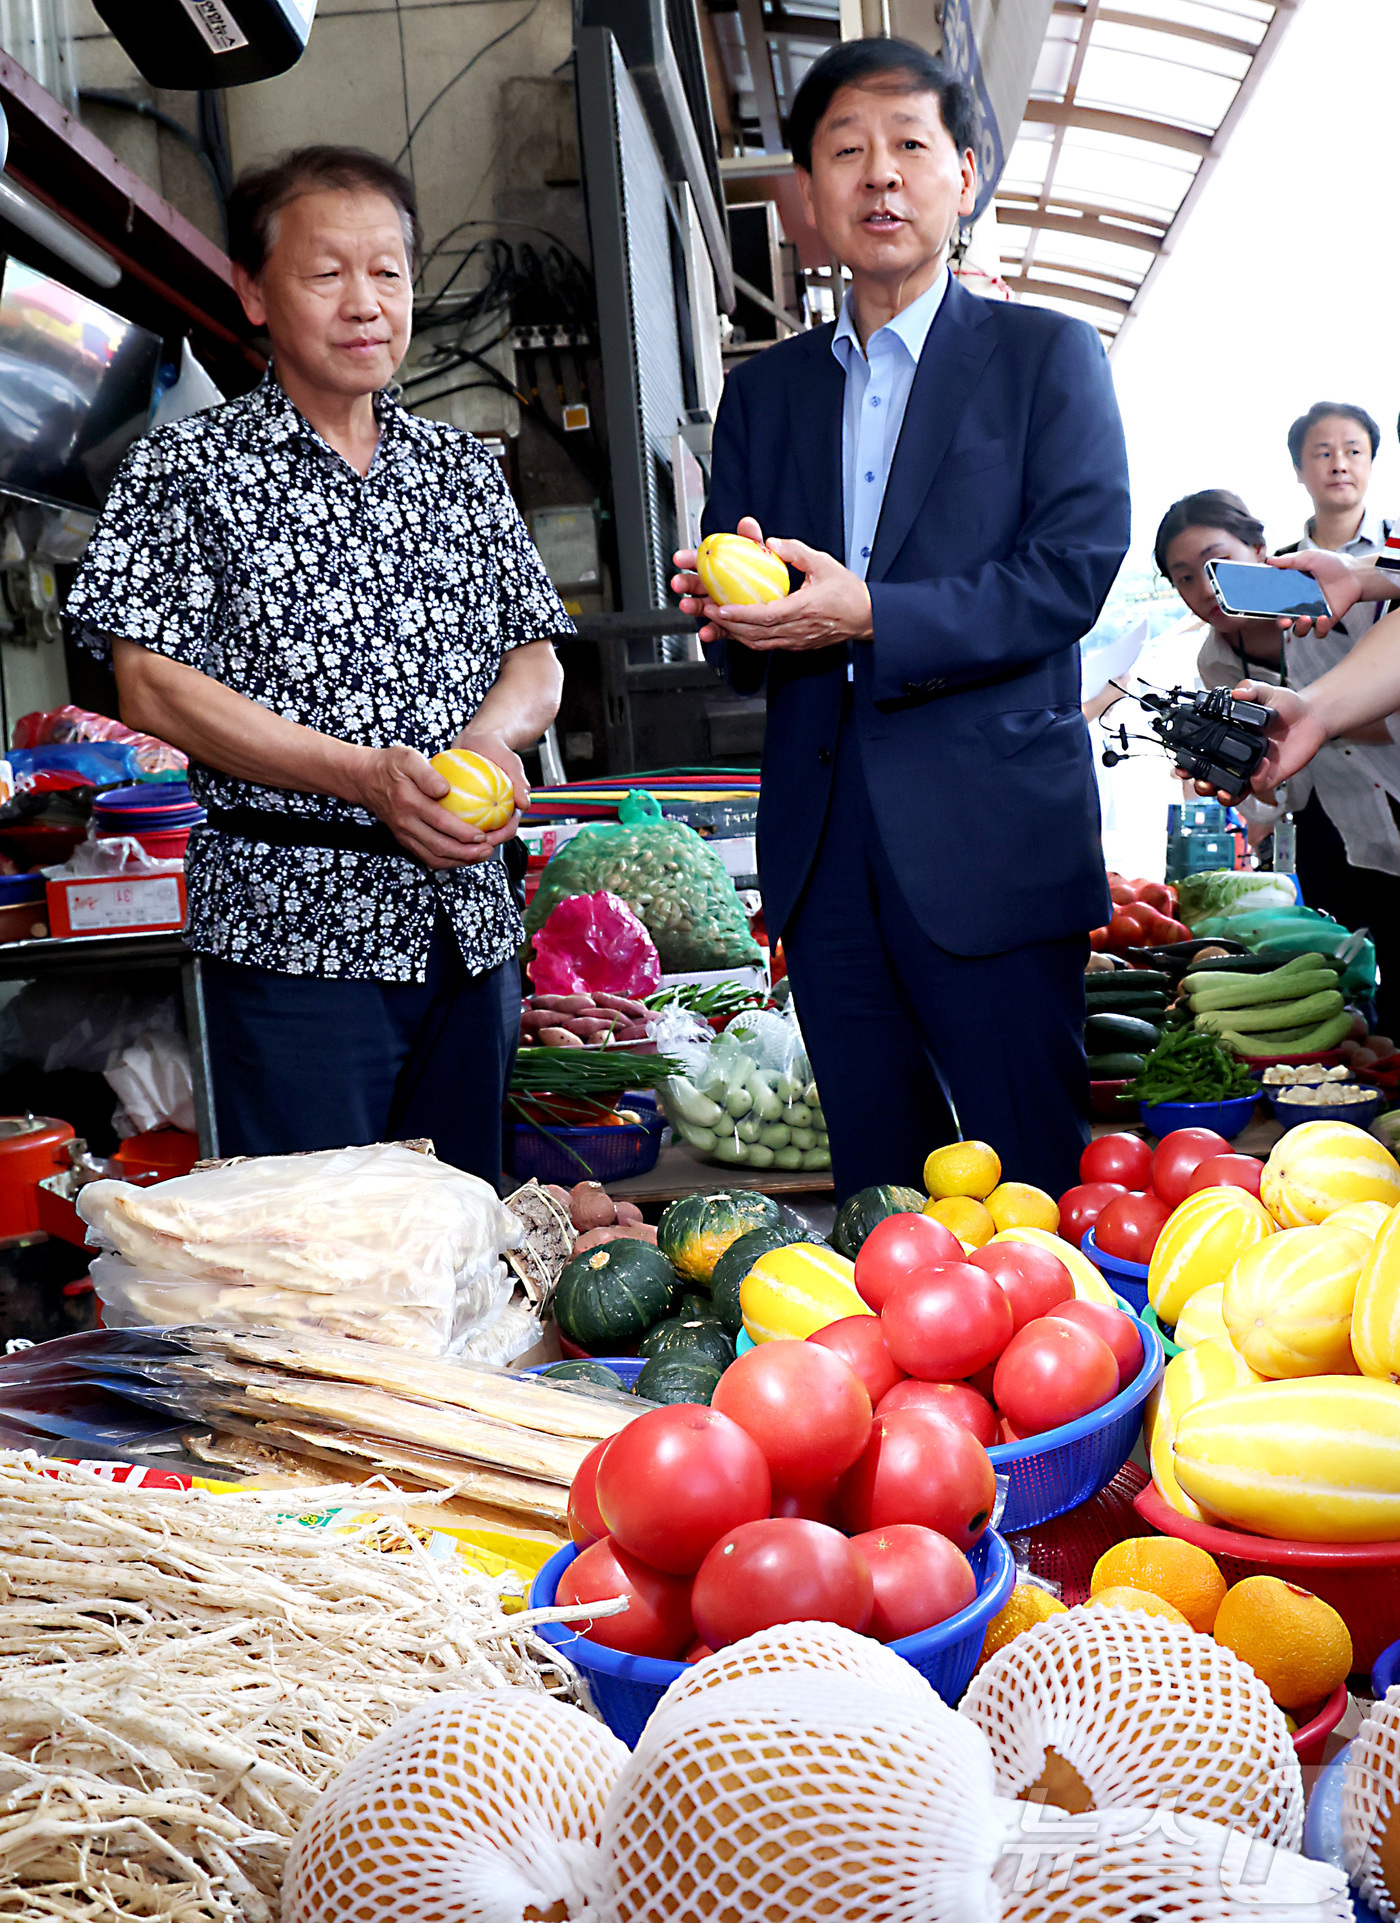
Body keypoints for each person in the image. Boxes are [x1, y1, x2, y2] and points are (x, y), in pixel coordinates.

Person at [672, 37, 1129, 1202]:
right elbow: (751, 620)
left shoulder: (1044, 359)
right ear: (806, 195)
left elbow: (1066, 574)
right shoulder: (765, 391)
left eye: (908, 147)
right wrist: (728, 624)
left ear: (961, 175)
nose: (879, 176)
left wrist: (869, 613)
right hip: (826, 858)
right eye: (843, 152)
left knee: (1034, 1184)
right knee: (880, 1193)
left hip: (990, 848)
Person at [63, 146, 568, 1184]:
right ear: (253, 292)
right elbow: (147, 681)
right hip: (292, 941)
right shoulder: (187, 468)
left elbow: (536, 659)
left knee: (459, 1241)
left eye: (387, 272)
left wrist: (487, 735)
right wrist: (360, 777)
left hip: (465, 937)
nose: (365, 303)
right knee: (312, 1258)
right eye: (325, 272)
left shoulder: (462, 472)